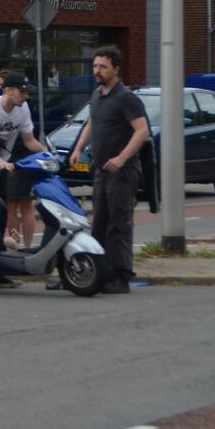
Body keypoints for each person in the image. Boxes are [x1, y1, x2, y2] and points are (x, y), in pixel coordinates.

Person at [68, 45, 150, 294]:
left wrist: (122, 158)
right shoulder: (97, 95)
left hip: (122, 173)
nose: (97, 70)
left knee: (119, 224)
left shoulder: (126, 98)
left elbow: (142, 131)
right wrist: (78, 148)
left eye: (103, 66)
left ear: (116, 68)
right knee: (100, 224)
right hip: (101, 171)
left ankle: (121, 276)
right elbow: (92, 123)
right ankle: (102, 273)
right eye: (95, 66)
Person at [0, 72, 48, 288]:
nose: (26, 96)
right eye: (22, 92)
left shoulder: (22, 110)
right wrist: (0, 161)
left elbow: (29, 141)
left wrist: (48, 155)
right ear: (8, 90)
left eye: (27, 92)